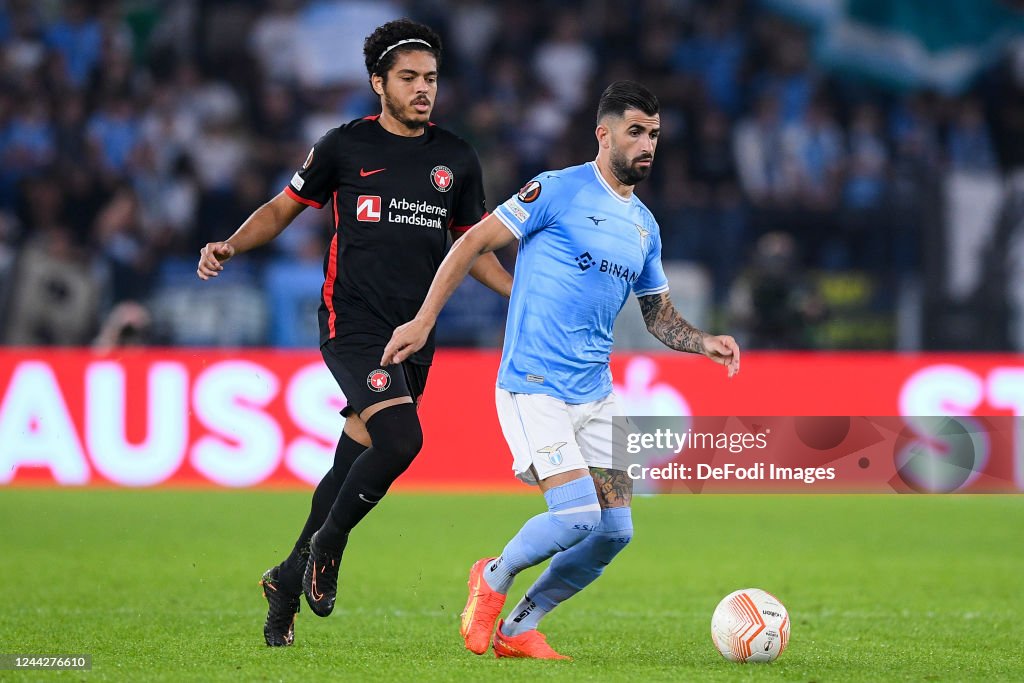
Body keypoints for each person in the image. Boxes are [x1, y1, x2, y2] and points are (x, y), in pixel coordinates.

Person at [382, 81, 740, 659]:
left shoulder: (644, 226)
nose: (647, 144)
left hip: (595, 392)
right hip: (534, 384)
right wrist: (423, 322)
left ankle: (521, 626)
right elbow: (471, 241)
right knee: (575, 517)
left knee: (615, 532)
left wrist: (703, 342)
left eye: (654, 134)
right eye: (635, 132)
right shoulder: (556, 190)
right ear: (603, 135)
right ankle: (492, 577)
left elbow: (657, 314)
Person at [196, 19, 512, 647]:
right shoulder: (343, 147)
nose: (424, 90)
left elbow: (471, 246)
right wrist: (231, 244)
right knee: (400, 440)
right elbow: (283, 208)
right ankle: (327, 549)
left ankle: (285, 581)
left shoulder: (455, 157)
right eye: (409, 79)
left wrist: (517, 292)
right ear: (378, 83)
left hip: (415, 332)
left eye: (431, 79)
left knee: (355, 456)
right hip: (352, 323)